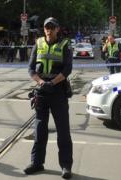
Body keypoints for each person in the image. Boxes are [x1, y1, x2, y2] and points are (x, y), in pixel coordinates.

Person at [25, 17, 73, 179]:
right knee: (39, 130)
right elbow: (31, 69)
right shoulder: (38, 43)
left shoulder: (65, 44)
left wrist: (52, 82)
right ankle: (37, 163)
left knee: (63, 131)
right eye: (47, 27)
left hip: (58, 91)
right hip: (42, 92)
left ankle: (66, 166)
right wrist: (41, 82)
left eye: (52, 27)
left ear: (57, 29)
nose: (49, 30)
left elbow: (67, 69)